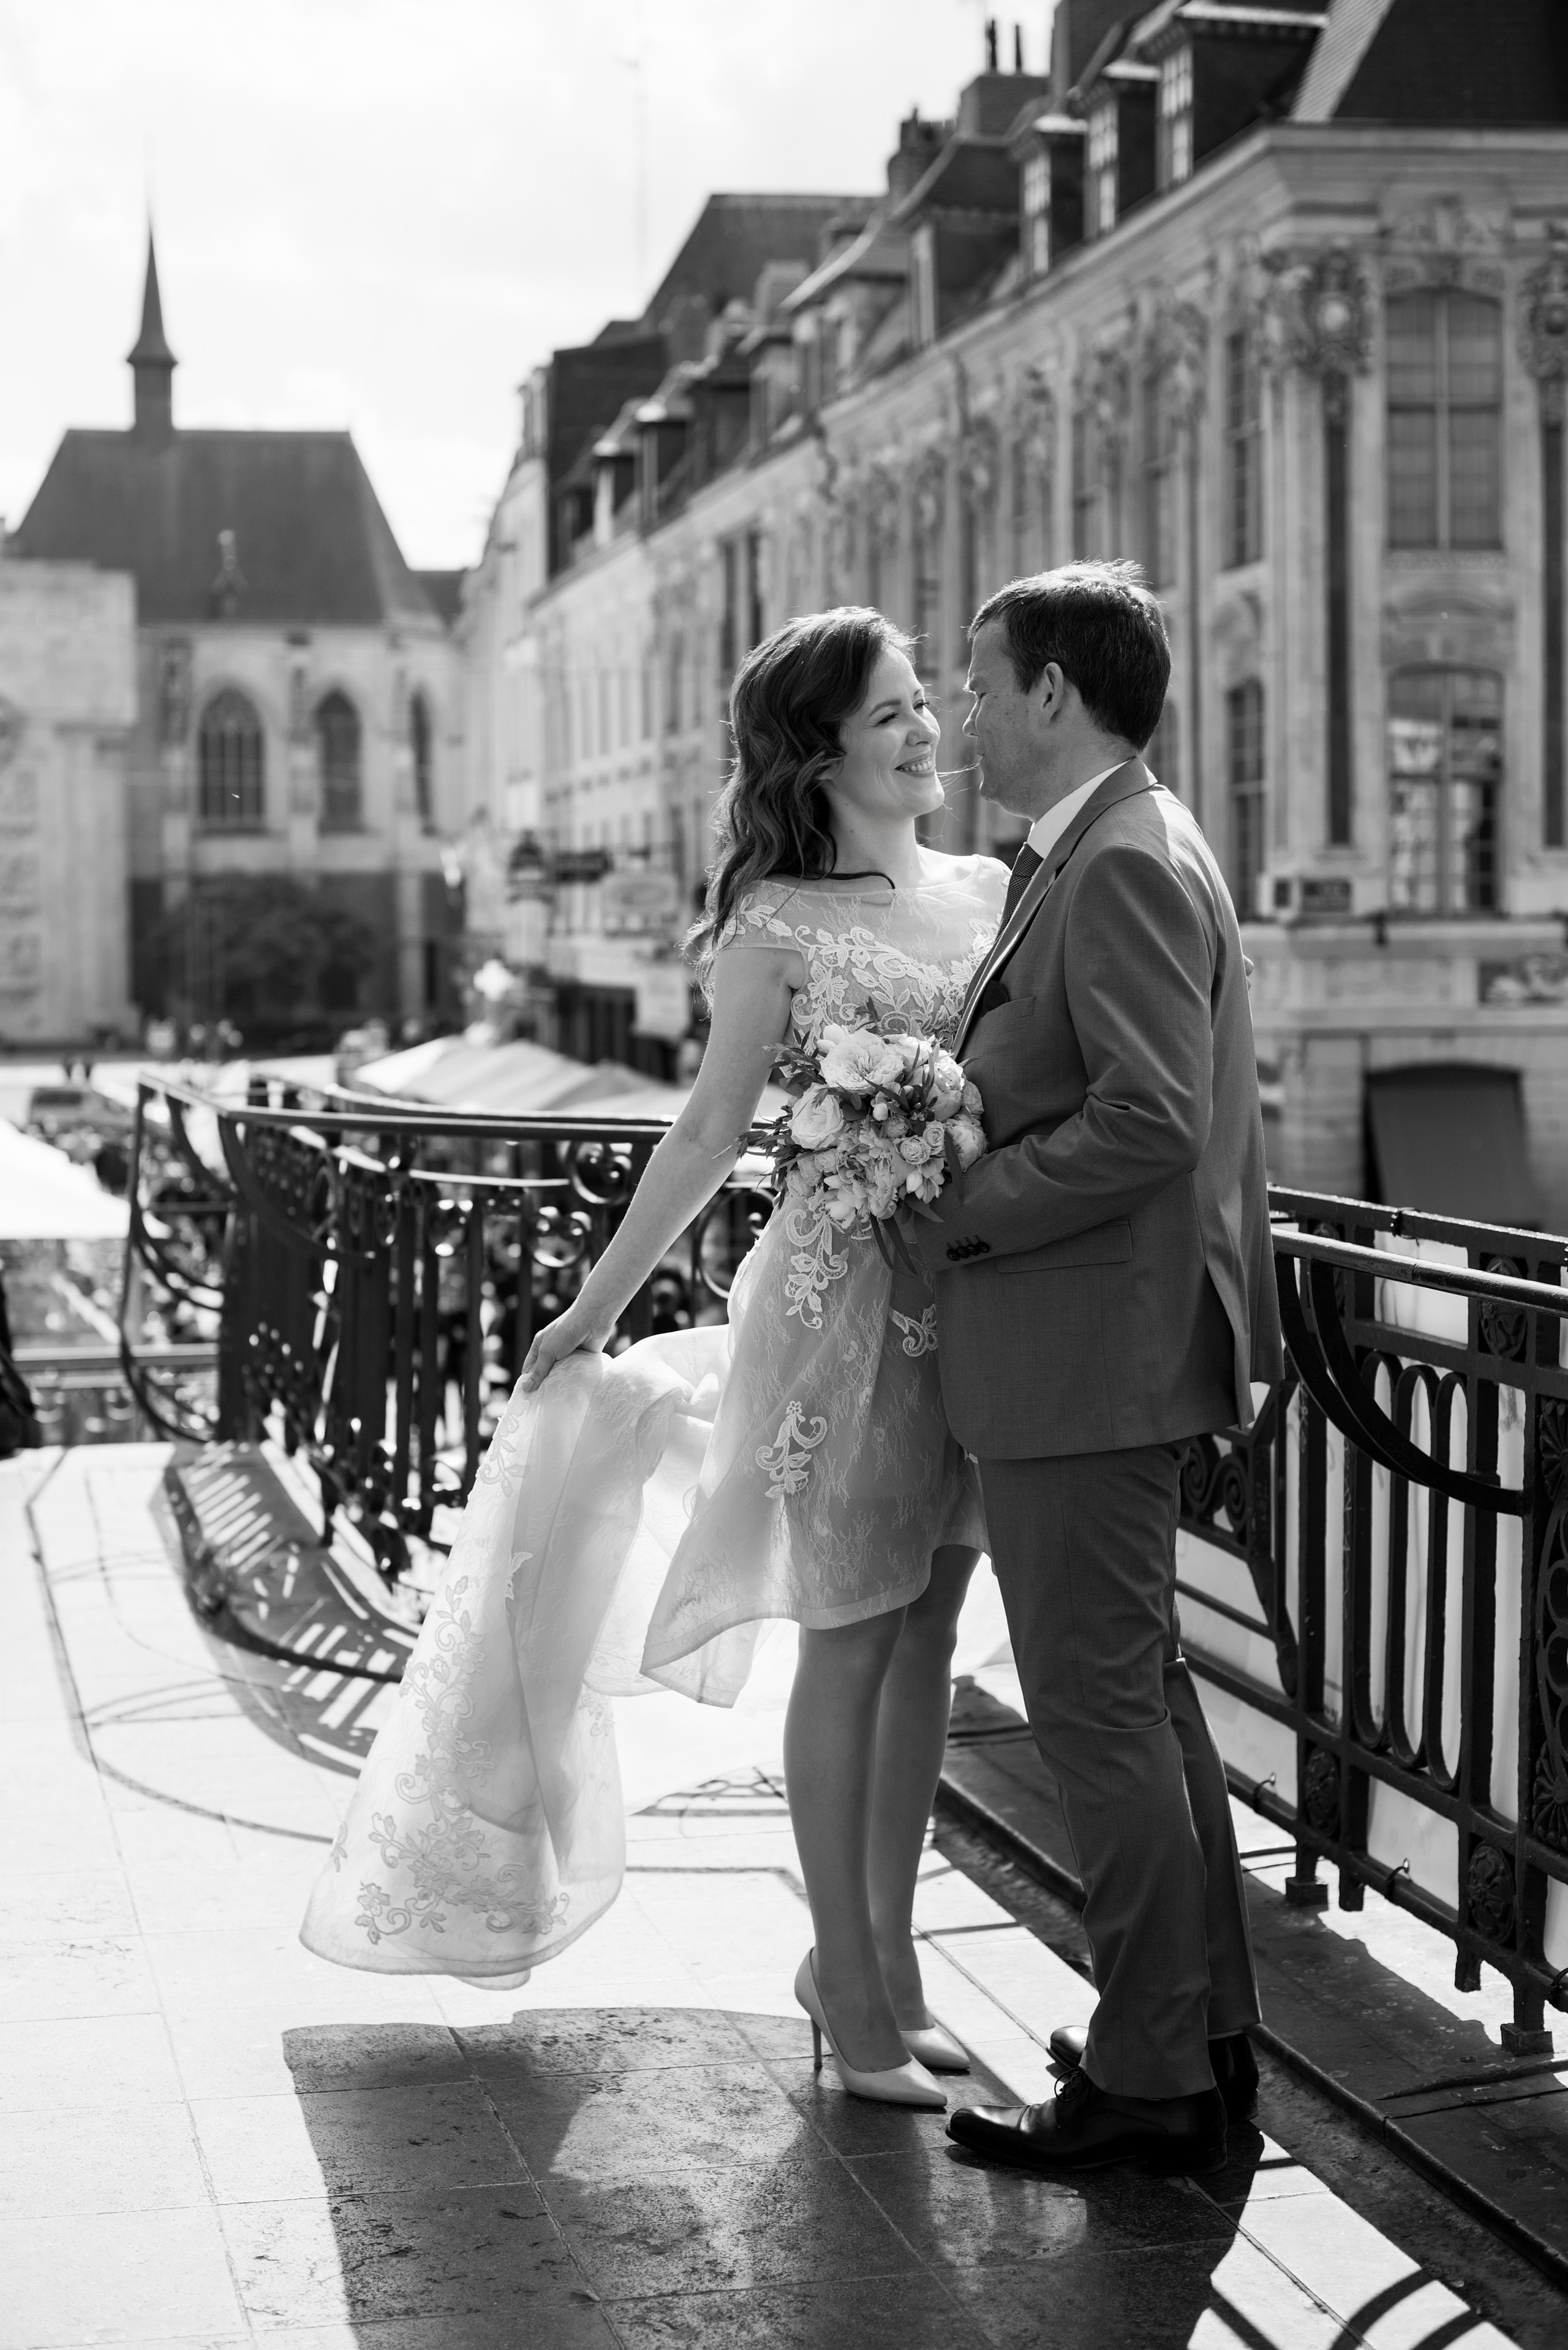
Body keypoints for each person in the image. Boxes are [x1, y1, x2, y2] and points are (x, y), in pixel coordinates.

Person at [302, 608, 1008, 2111]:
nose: (923, 729)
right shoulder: (773, 925)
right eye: (888, 713)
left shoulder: (990, 891)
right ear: (816, 748)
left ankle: (884, 1965)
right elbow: (706, 1135)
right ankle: (852, 1987)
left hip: (976, 1308)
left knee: (933, 1636)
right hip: (836, 1309)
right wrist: (593, 1305)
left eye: (918, 705)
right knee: (854, 1634)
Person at [902, 561, 1283, 2177]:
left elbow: (1148, 1118)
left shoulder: (1121, 857)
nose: (965, 714)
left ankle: (1149, 2083)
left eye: (982, 682)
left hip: (1087, 1355)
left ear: (1057, 691)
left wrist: (956, 1205)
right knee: (1146, 1711)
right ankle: (1191, 2039)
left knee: (1100, 1716)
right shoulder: (1120, 839)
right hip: (1104, 1347)